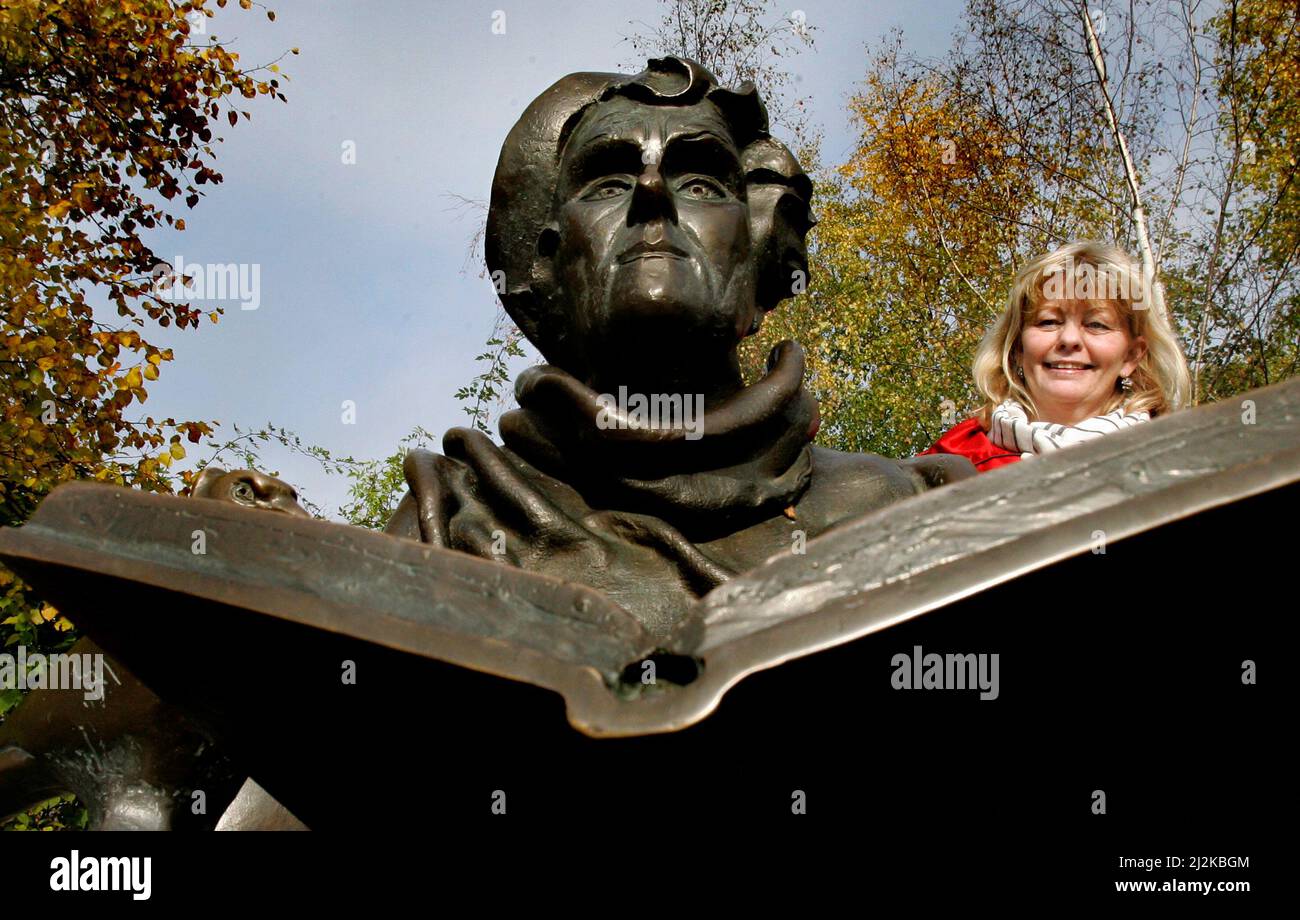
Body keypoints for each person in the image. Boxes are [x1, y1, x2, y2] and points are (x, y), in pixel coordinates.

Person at [919, 241, 1192, 472]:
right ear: (1017, 348)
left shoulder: (1178, 463)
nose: (1069, 339)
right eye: (1049, 322)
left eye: (1096, 324)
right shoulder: (949, 463)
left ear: (1131, 357)